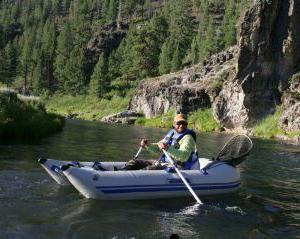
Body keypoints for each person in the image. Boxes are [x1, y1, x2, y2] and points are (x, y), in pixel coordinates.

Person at [122, 113, 199, 170]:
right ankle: (121, 172)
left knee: (148, 169)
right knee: (134, 163)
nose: (181, 125)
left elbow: (183, 156)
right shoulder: (172, 134)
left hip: (177, 166)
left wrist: (167, 148)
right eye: (179, 123)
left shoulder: (187, 138)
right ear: (173, 124)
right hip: (163, 162)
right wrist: (148, 145)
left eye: (184, 123)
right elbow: (158, 148)